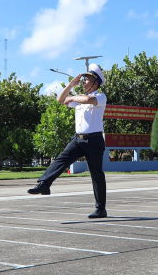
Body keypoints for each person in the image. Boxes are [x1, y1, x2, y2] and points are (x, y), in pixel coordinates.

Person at [28, 64, 108, 218]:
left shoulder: (100, 97)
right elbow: (60, 100)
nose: (84, 82)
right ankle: (44, 184)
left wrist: (72, 97)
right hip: (79, 139)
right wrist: (71, 85)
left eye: (87, 79)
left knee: (96, 174)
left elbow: (87, 99)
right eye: (83, 79)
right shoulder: (78, 98)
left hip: (94, 140)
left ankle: (100, 209)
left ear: (96, 83)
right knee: (61, 159)